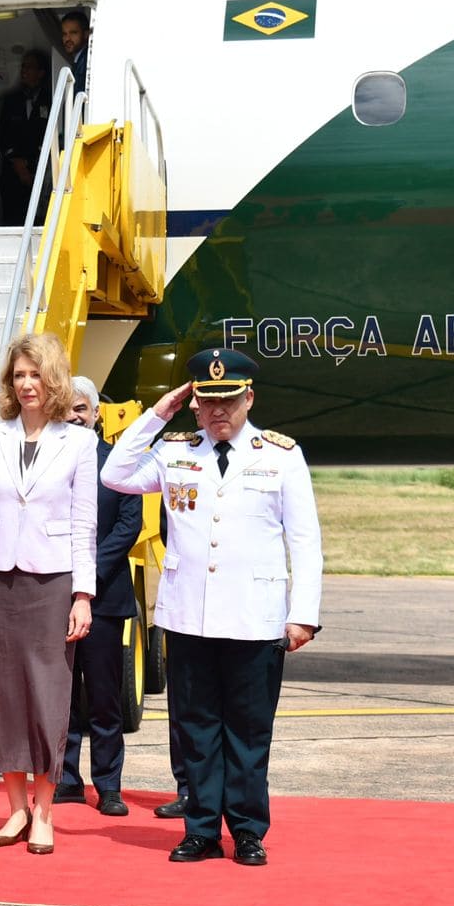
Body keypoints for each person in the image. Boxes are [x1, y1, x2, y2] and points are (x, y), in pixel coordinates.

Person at [102, 348, 322, 866]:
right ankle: (201, 829)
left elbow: (305, 540)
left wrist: (303, 614)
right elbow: (115, 472)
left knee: (248, 731)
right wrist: (158, 413)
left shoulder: (280, 456)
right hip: (190, 616)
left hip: (254, 617)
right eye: (207, 401)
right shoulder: (176, 450)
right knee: (196, 729)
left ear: (249, 399)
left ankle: (246, 830)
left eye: (229, 400)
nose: (218, 410)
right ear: (195, 403)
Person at [0, 333, 97, 856]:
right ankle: (15, 808)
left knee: (47, 696)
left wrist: (83, 595)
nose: (27, 384)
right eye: (18, 375)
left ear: (53, 379)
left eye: (36, 374)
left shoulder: (79, 443)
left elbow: (84, 523)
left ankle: (45, 811)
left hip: (52, 583)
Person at [53, 377, 143, 816]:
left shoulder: (119, 464)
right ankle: (66, 779)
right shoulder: (48, 460)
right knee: (62, 695)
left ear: (96, 415)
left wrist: (87, 574)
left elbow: (128, 526)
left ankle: (108, 786)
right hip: (55, 595)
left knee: (104, 697)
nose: (74, 416)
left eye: (81, 408)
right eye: (67, 408)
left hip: (103, 598)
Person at [0, 49, 51, 228]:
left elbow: (51, 135)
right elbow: (3, 135)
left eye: (29, 67)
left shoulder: (51, 100)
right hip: (13, 173)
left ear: (41, 73)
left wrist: (33, 167)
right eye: (23, 66)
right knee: (13, 221)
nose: (24, 71)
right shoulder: (11, 100)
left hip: (40, 171)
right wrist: (17, 163)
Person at [61, 10, 90, 92]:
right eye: (64, 34)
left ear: (86, 34)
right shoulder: (80, 59)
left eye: (73, 33)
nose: (67, 38)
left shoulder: (86, 59)